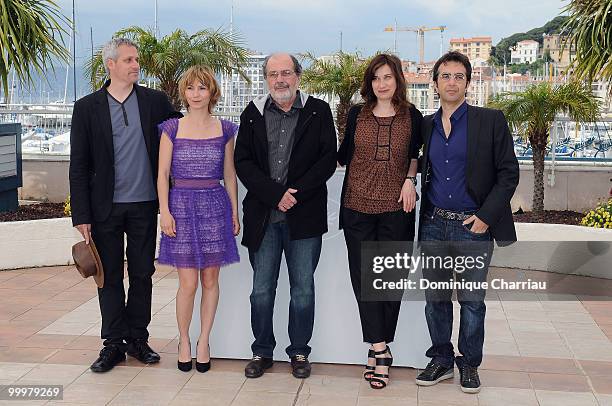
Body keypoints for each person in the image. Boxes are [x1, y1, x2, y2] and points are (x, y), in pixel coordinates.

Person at [69, 38, 180, 373]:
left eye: (137, 60)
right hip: (105, 209)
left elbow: (184, 129)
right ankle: (113, 344)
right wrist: (82, 215)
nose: (136, 65)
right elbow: (79, 165)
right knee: (110, 276)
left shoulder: (155, 101)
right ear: (111, 65)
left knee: (143, 273)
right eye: (129, 60)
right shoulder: (87, 107)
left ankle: (138, 339)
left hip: (146, 205)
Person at [414, 51, 519, 393]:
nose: (452, 82)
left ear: (468, 83)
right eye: (445, 76)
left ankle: (469, 364)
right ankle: (442, 360)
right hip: (433, 224)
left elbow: (508, 174)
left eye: (459, 76)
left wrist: (486, 217)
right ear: (436, 83)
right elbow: (412, 163)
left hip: (472, 227)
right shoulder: (425, 125)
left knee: (472, 301)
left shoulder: (490, 121)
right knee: (436, 299)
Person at [234, 53, 337, 379]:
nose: (281, 79)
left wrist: (295, 193)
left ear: (298, 76)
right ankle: (261, 351)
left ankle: (299, 352)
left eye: (287, 73)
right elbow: (243, 162)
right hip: (263, 218)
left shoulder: (318, 111)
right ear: (266, 78)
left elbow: (327, 159)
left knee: (303, 289)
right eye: (274, 74)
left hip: (304, 217)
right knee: (261, 290)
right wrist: (274, 194)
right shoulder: (251, 113)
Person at [337, 53, 422, 389]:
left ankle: (378, 345)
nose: (382, 84)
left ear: (398, 79)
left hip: (396, 209)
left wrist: (409, 179)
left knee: (389, 282)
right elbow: (343, 154)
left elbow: (416, 154)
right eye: (376, 78)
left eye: (387, 77)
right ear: (369, 83)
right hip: (357, 206)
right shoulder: (357, 113)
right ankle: (380, 349)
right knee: (364, 281)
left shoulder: (411, 115)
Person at [157, 65, 240, 373]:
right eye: (190, 88)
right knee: (188, 283)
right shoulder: (171, 129)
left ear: (212, 93)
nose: (195, 94)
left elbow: (229, 175)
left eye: (202, 88)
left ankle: (204, 340)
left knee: (210, 280)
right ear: (184, 92)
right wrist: (165, 211)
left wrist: (234, 211)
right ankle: (183, 341)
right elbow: (162, 174)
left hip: (214, 208)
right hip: (179, 207)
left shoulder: (226, 129)